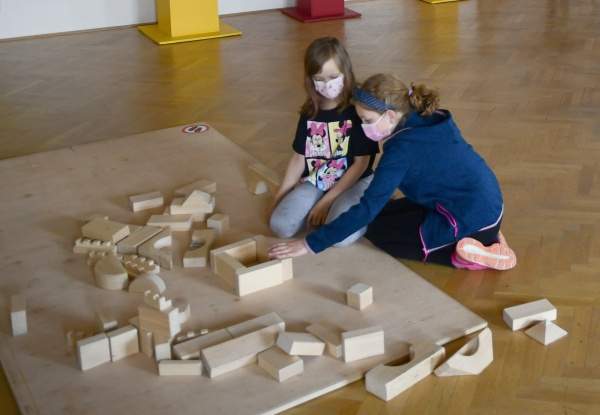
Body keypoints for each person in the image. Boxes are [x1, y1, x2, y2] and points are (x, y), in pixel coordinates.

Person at [269, 73, 517, 270]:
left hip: (469, 217)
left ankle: (465, 255)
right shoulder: (429, 118)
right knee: (384, 214)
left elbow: (368, 208)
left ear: (390, 115)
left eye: (367, 120)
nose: (364, 127)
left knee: (378, 231)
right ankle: (488, 236)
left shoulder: (401, 150)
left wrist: (309, 244)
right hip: (486, 204)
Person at [269, 37, 379, 247]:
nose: (327, 84)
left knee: (338, 237)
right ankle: (329, 203)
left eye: (333, 77)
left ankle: (370, 209)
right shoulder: (311, 111)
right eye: (319, 78)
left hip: (356, 179)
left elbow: (360, 164)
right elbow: (299, 157)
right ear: (310, 79)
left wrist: (326, 202)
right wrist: (279, 196)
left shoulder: (357, 109)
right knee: (280, 225)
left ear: (346, 72)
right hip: (319, 178)